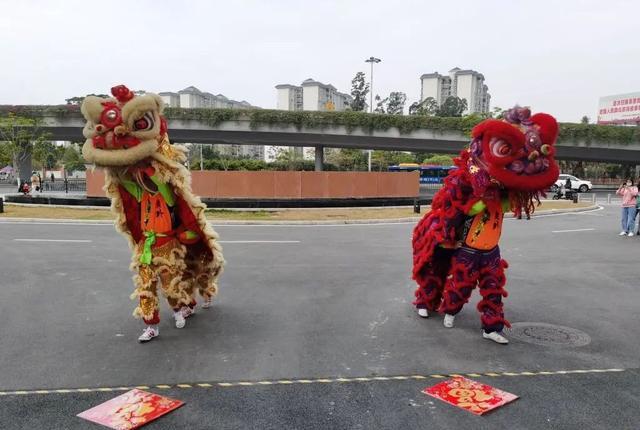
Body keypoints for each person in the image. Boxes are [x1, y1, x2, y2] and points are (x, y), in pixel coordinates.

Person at [412, 106, 560, 345]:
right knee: (455, 279)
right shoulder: (471, 173)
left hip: (490, 250)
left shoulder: (503, 194)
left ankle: (492, 326)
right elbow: (465, 206)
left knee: (493, 288)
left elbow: (510, 200)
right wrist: (479, 203)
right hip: (467, 246)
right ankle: (438, 306)